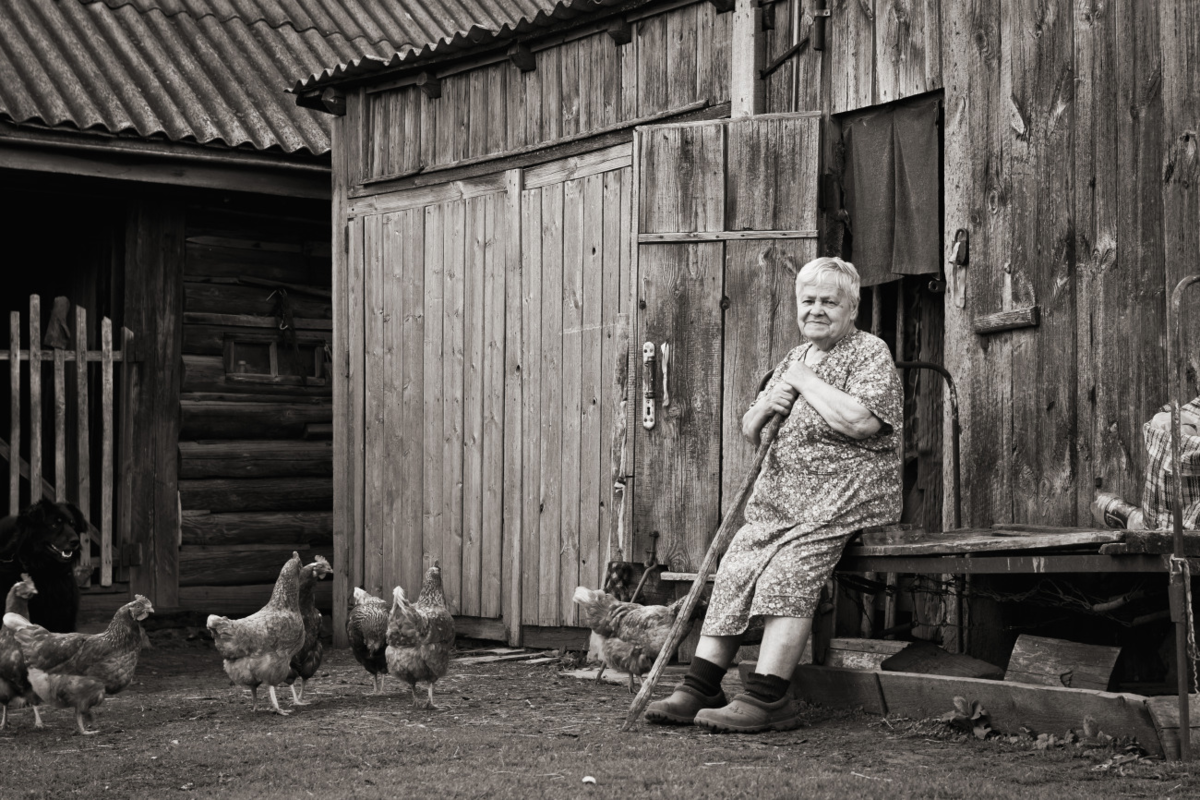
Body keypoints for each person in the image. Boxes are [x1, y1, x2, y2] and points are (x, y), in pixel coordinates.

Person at [645, 256, 903, 734]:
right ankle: (702, 684)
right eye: (808, 300)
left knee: (790, 566)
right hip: (782, 500)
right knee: (740, 560)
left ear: (852, 309)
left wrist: (805, 382)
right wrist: (764, 405)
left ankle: (768, 696)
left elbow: (864, 422)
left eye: (830, 301)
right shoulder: (792, 356)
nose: (817, 310)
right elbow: (750, 429)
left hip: (842, 495)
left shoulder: (869, 352)